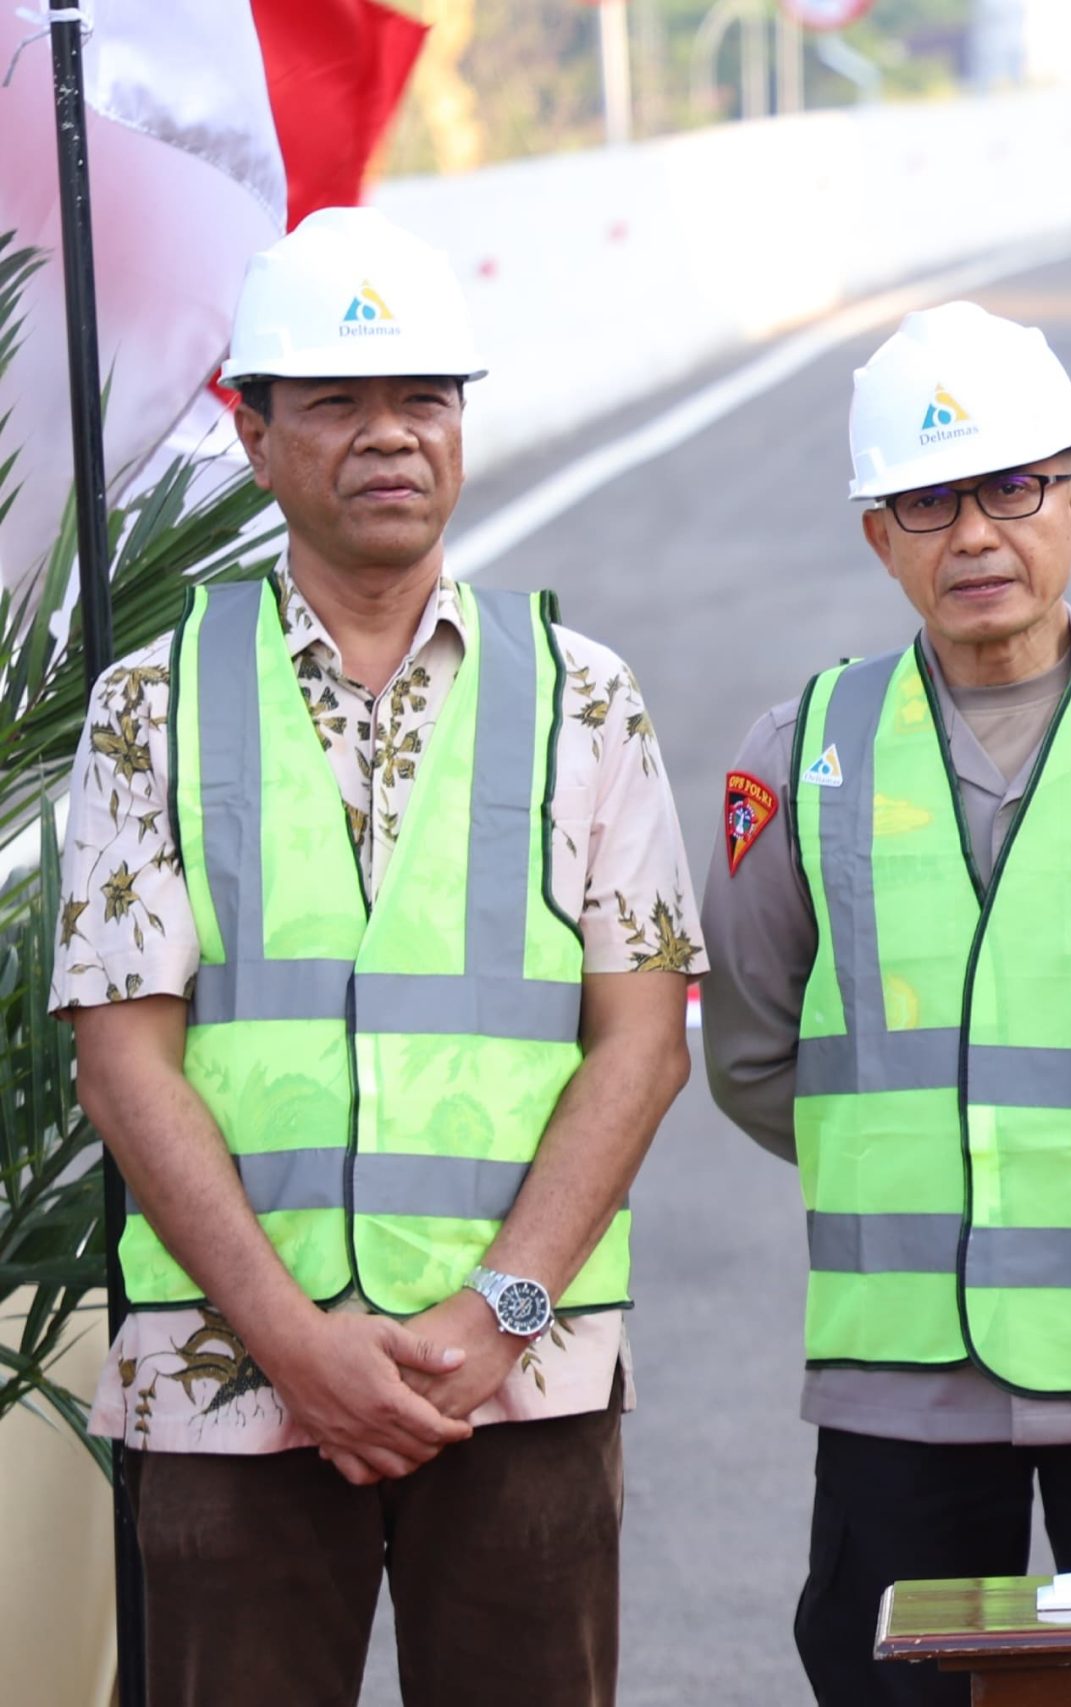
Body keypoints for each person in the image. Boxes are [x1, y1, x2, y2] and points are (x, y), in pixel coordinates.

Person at [54, 207, 700, 1706]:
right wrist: (290, 1343)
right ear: (255, 434)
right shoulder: (153, 701)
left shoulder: (582, 698)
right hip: (226, 1389)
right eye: (337, 404)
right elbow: (121, 1053)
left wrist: (501, 1314)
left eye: (424, 400)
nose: (389, 438)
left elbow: (643, 1037)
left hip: (518, 1386)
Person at [699, 301, 1071, 1707]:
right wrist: (930, 1161)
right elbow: (756, 1053)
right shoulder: (806, 751)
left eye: (1012, 491)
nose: (974, 535)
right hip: (902, 1386)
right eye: (927, 501)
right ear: (876, 537)